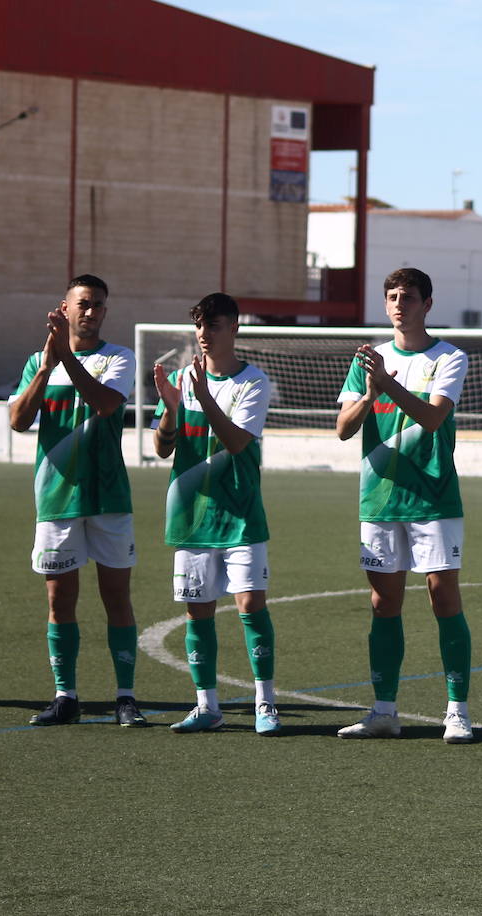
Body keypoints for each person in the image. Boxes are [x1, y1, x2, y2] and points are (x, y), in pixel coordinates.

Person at [335, 268, 474, 744]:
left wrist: (387, 387)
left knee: (443, 598)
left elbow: (434, 417)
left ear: (428, 304)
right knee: (383, 603)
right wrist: (371, 392)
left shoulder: (449, 356)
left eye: (409, 298)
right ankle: (384, 711)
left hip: (434, 499)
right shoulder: (367, 361)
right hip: (379, 498)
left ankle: (457, 711)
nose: (399, 305)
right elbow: (343, 428)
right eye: (392, 297)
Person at [9, 275, 145, 727]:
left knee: (116, 597)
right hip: (56, 496)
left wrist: (67, 358)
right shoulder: (37, 362)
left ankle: (125, 697)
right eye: (83, 304)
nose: (91, 312)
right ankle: (65, 696)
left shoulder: (119, 357)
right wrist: (49, 367)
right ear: (64, 309)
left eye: (99, 305)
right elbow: (18, 420)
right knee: (59, 598)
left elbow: (107, 404)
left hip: (108, 497)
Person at [153, 293, 280, 736]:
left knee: (250, 605)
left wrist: (204, 397)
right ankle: (206, 705)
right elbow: (163, 446)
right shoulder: (179, 380)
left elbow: (237, 442)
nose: (205, 334)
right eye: (200, 326)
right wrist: (170, 410)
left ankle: (266, 703)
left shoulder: (253, 383)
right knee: (197, 612)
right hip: (191, 516)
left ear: (234, 329)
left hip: (241, 513)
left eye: (215, 325)